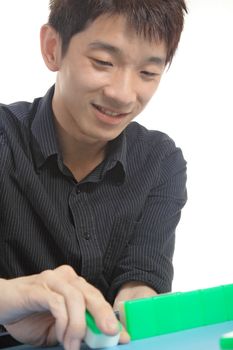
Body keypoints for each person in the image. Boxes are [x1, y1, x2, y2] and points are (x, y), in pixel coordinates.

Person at [0, 0, 187, 347]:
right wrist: (11, 296)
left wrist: (134, 305)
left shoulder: (160, 161)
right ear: (53, 48)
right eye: (103, 63)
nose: (122, 94)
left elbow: (141, 278)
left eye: (148, 73)